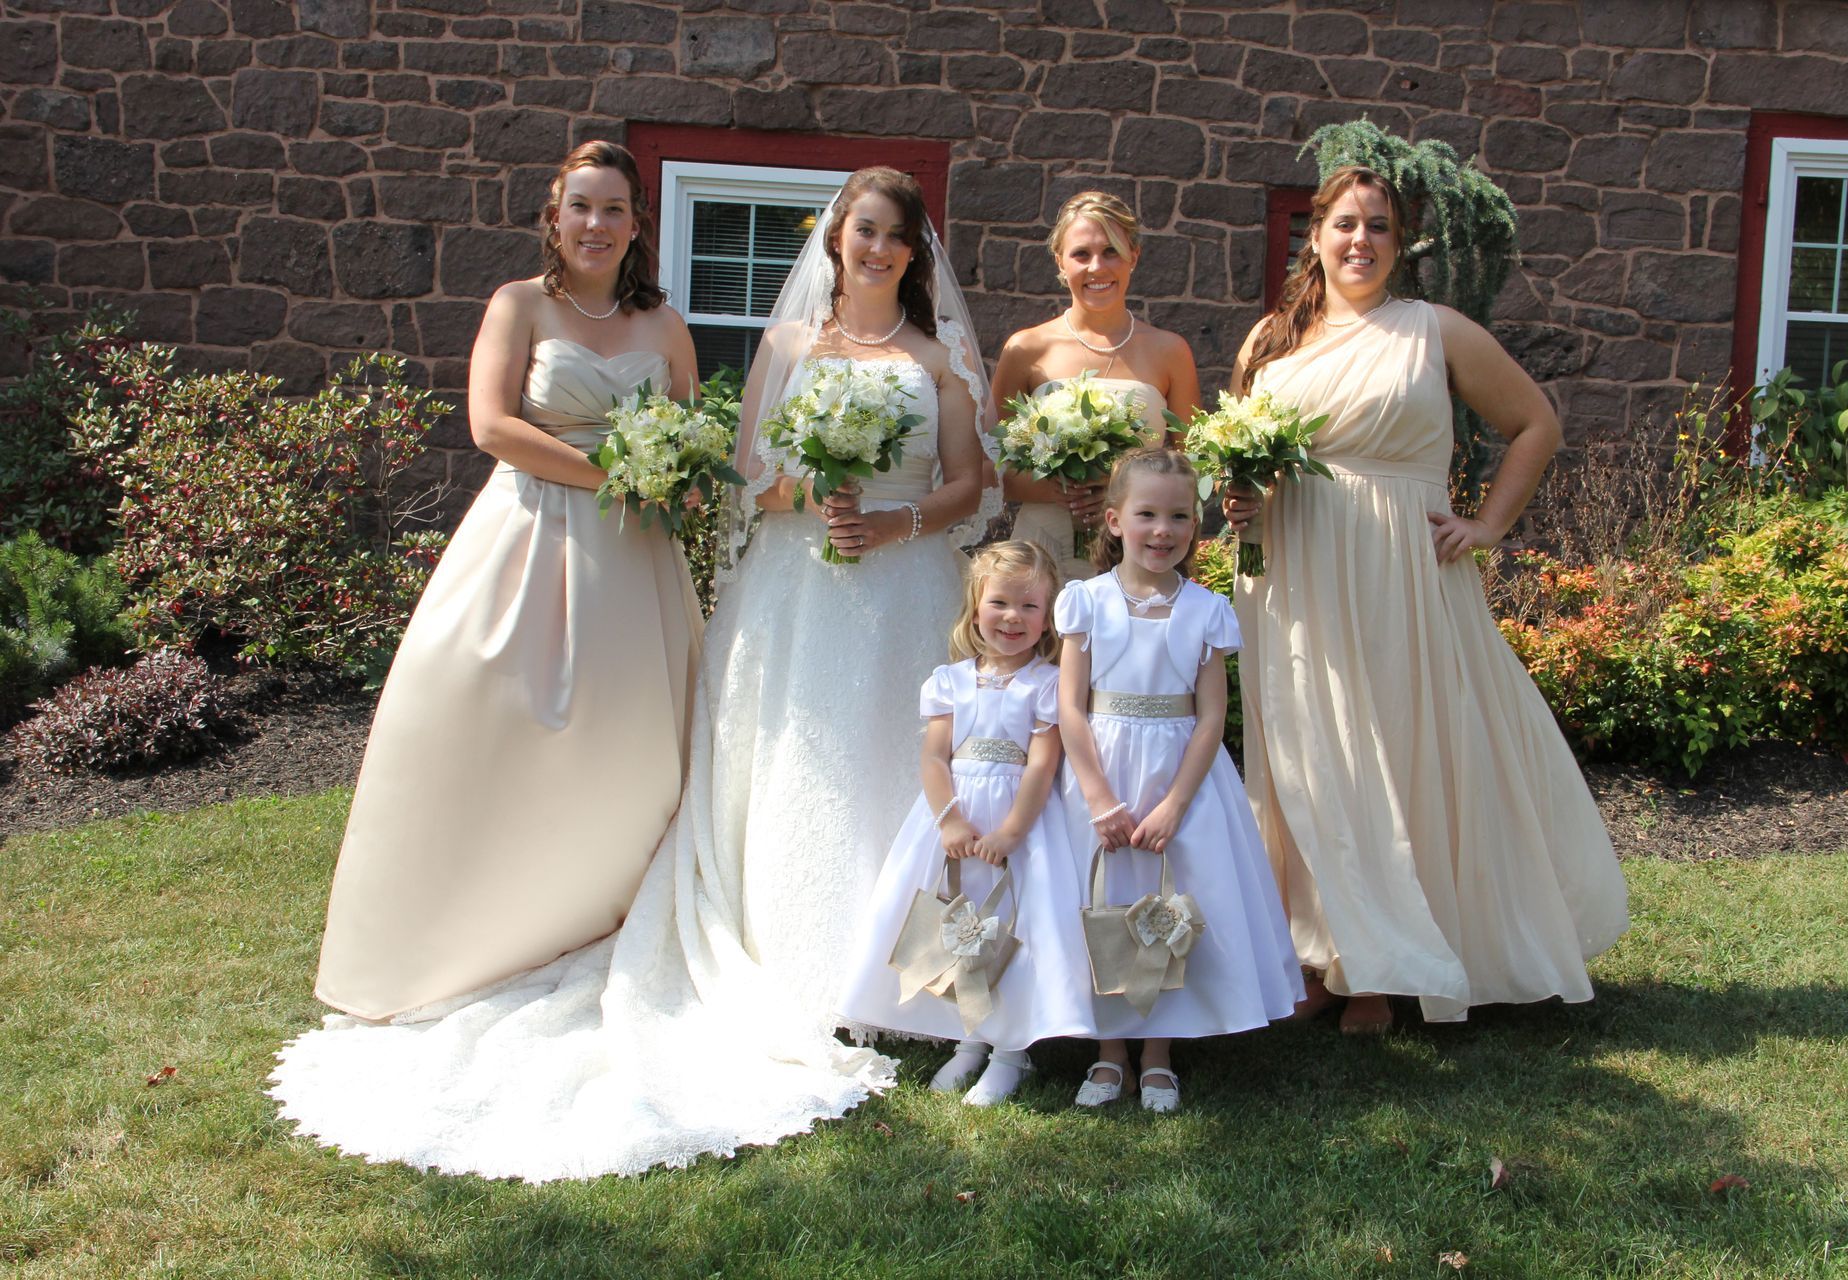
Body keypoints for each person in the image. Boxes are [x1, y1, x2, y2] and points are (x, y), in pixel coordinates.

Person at [272, 167, 996, 1180]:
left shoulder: (939, 359)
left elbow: (970, 483)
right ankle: (796, 961)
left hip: (907, 582)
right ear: (834, 241)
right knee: (797, 763)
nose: (875, 248)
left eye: (894, 235)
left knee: (891, 759)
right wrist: (807, 489)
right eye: (860, 230)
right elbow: (747, 476)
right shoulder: (785, 347)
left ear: (916, 252)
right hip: (798, 583)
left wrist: (894, 518)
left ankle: (907, 968)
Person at [1222, 165, 1629, 1032]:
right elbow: (1239, 464)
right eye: (1343, 224)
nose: (1359, 240)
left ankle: (1383, 966)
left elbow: (1536, 425)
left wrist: (1488, 526)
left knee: (1396, 745)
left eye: (1378, 227)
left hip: (1401, 572)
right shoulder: (1270, 343)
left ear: (1399, 247)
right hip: (1291, 569)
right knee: (1307, 749)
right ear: (1316, 237)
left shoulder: (1434, 331)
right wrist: (1240, 501)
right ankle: (1321, 951)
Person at [309, 140, 702, 1023]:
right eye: (580, 207)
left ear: (638, 225)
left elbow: (693, 434)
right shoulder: (519, 305)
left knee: (627, 736)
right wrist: (616, 477)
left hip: (636, 557)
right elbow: (490, 425)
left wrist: (669, 476)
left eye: (614, 210)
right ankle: (478, 924)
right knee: (496, 716)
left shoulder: (666, 327)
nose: (596, 225)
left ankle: (599, 913)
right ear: (554, 220)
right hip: (530, 533)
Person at [1053, 449, 1304, 1114]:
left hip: (1180, 780)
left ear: (1197, 526)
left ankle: (1159, 1050)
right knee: (1103, 898)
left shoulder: (1207, 609)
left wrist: (1174, 805)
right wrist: (1099, 797)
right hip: (1101, 774)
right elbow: (1069, 707)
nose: (1162, 530)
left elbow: (1211, 714)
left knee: (1168, 906)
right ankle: (1109, 1052)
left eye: (1179, 517)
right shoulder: (1086, 603)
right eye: (1146, 515)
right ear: (1114, 520)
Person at [838, 540, 1092, 1106]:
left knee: (1015, 928)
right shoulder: (950, 680)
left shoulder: (1049, 683)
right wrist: (949, 820)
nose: (1013, 618)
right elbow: (934, 758)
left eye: (1030, 607)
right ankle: (967, 1038)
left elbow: (1043, 762)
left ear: (1048, 615)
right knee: (960, 926)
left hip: (1019, 828)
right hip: (956, 823)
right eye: (1000, 602)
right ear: (976, 606)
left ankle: (1010, 1052)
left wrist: (1013, 831)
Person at [994, 192, 1200, 579]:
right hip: (1044, 548)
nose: (1097, 267)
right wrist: (1064, 490)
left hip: (1138, 552)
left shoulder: (1171, 351)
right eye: (1081, 254)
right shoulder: (1026, 348)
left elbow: (1191, 467)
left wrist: (1116, 489)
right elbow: (992, 465)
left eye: (1111, 252)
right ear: (1059, 260)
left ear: (1133, 257)